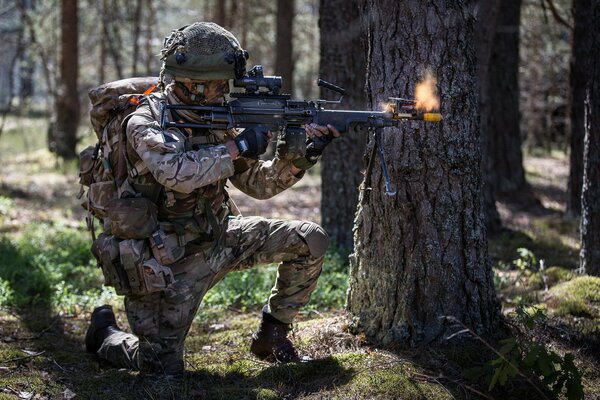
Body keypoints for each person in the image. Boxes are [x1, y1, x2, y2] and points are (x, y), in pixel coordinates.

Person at [85, 22, 340, 375]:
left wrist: (305, 152)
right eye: (220, 83)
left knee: (310, 239)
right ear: (192, 82)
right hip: (166, 263)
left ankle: (272, 335)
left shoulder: (220, 116)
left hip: (219, 237)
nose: (225, 90)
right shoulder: (146, 120)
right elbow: (176, 173)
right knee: (160, 369)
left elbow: (260, 185)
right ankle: (105, 336)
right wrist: (238, 146)